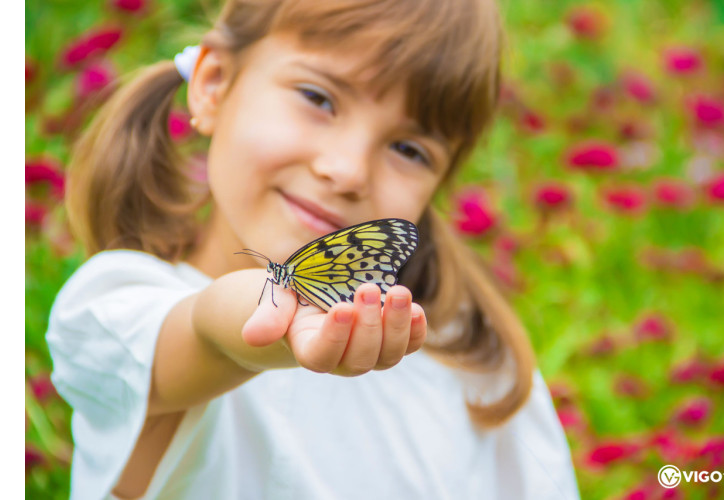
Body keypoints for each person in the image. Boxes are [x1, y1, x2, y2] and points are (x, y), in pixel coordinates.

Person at [46, 0, 581, 498]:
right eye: (318, 98)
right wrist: (257, 319)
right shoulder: (117, 308)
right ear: (213, 84)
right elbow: (201, 331)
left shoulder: (485, 373)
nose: (347, 171)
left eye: (408, 149)